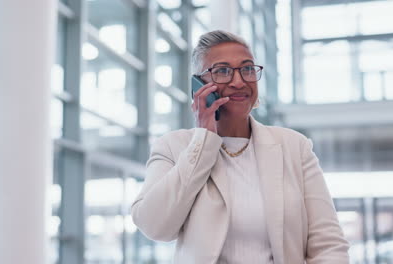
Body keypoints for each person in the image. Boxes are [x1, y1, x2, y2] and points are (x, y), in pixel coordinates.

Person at [131, 30, 349, 264]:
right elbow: (154, 226)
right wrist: (203, 140)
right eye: (222, 71)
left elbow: (328, 245)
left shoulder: (295, 147)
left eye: (247, 69)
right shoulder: (174, 146)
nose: (239, 81)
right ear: (198, 85)